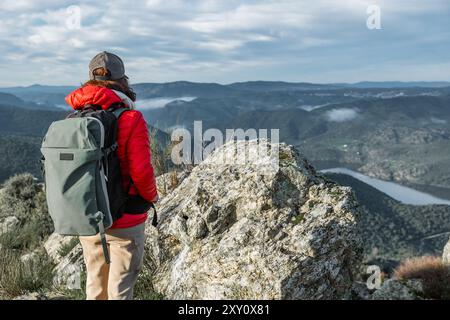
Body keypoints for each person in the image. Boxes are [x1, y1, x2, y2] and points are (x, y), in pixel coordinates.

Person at [65, 51, 158, 300]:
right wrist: (152, 197)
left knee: (95, 285)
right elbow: (141, 171)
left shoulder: (73, 119)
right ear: (122, 81)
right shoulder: (131, 118)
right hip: (126, 218)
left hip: (88, 217)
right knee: (121, 288)